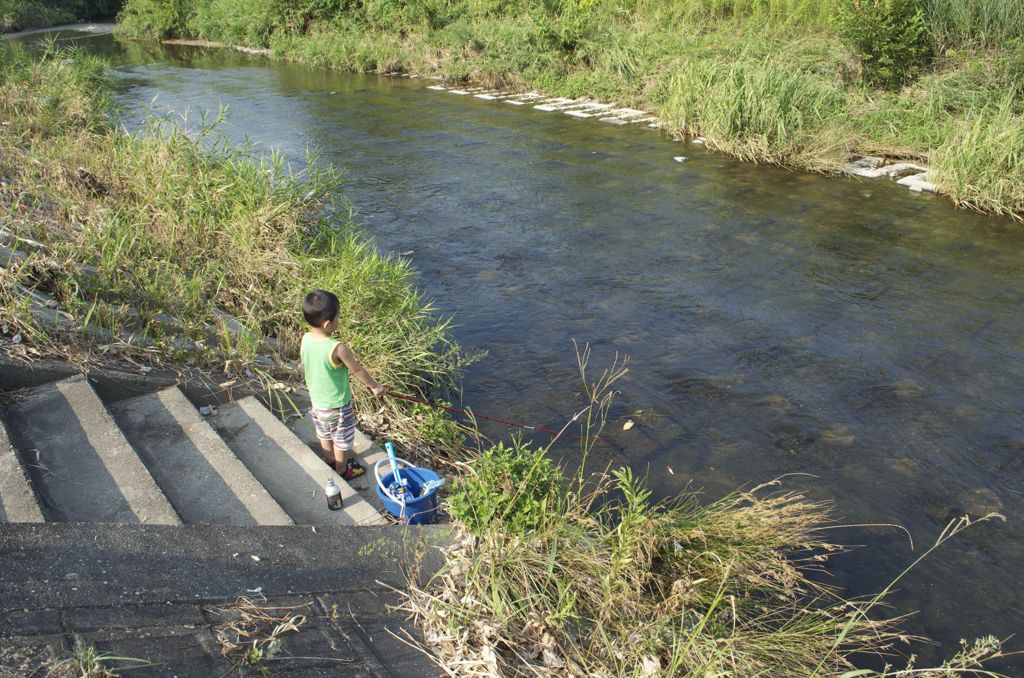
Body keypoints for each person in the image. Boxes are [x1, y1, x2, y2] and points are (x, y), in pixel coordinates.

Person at [301, 289, 385, 480]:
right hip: (338, 405)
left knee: (323, 432)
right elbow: (357, 370)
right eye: (338, 317)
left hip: (318, 402)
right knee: (342, 438)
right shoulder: (337, 348)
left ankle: (329, 459)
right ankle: (342, 470)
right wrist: (375, 386)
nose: (339, 321)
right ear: (327, 323)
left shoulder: (305, 339)